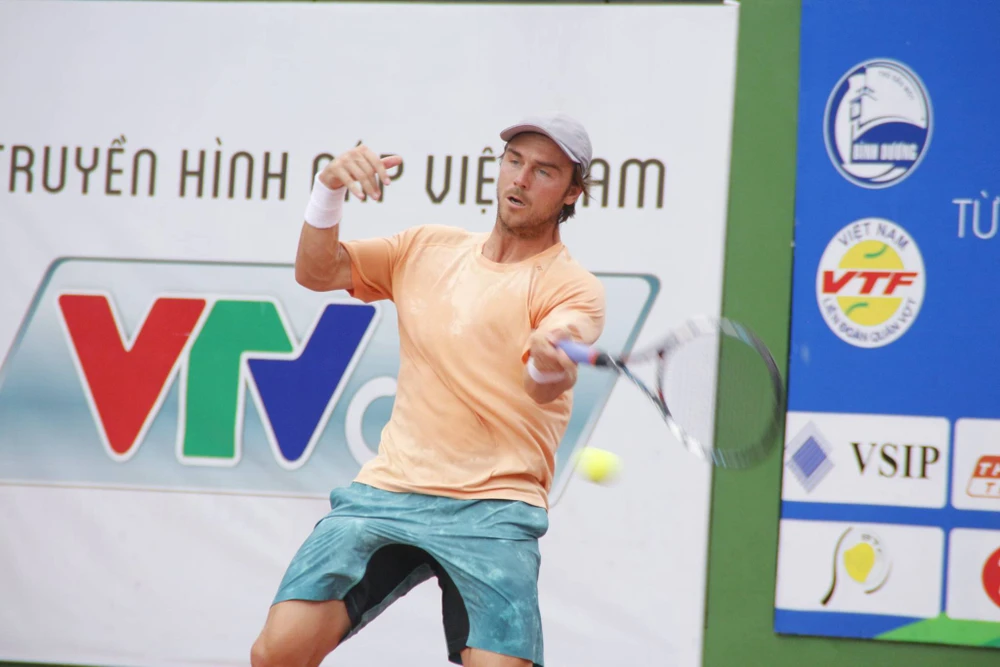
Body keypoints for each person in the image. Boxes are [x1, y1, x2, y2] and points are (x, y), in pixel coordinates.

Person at [250, 113, 606, 667]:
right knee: (277, 653)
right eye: (514, 161)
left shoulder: (572, 288)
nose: (520, 179)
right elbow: (316, 272)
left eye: (543, 171)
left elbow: (546, 381)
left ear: (571, 193)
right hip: (390, 490)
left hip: (494, 508)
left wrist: (547, 359)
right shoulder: (425, 248)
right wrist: (328, 188)